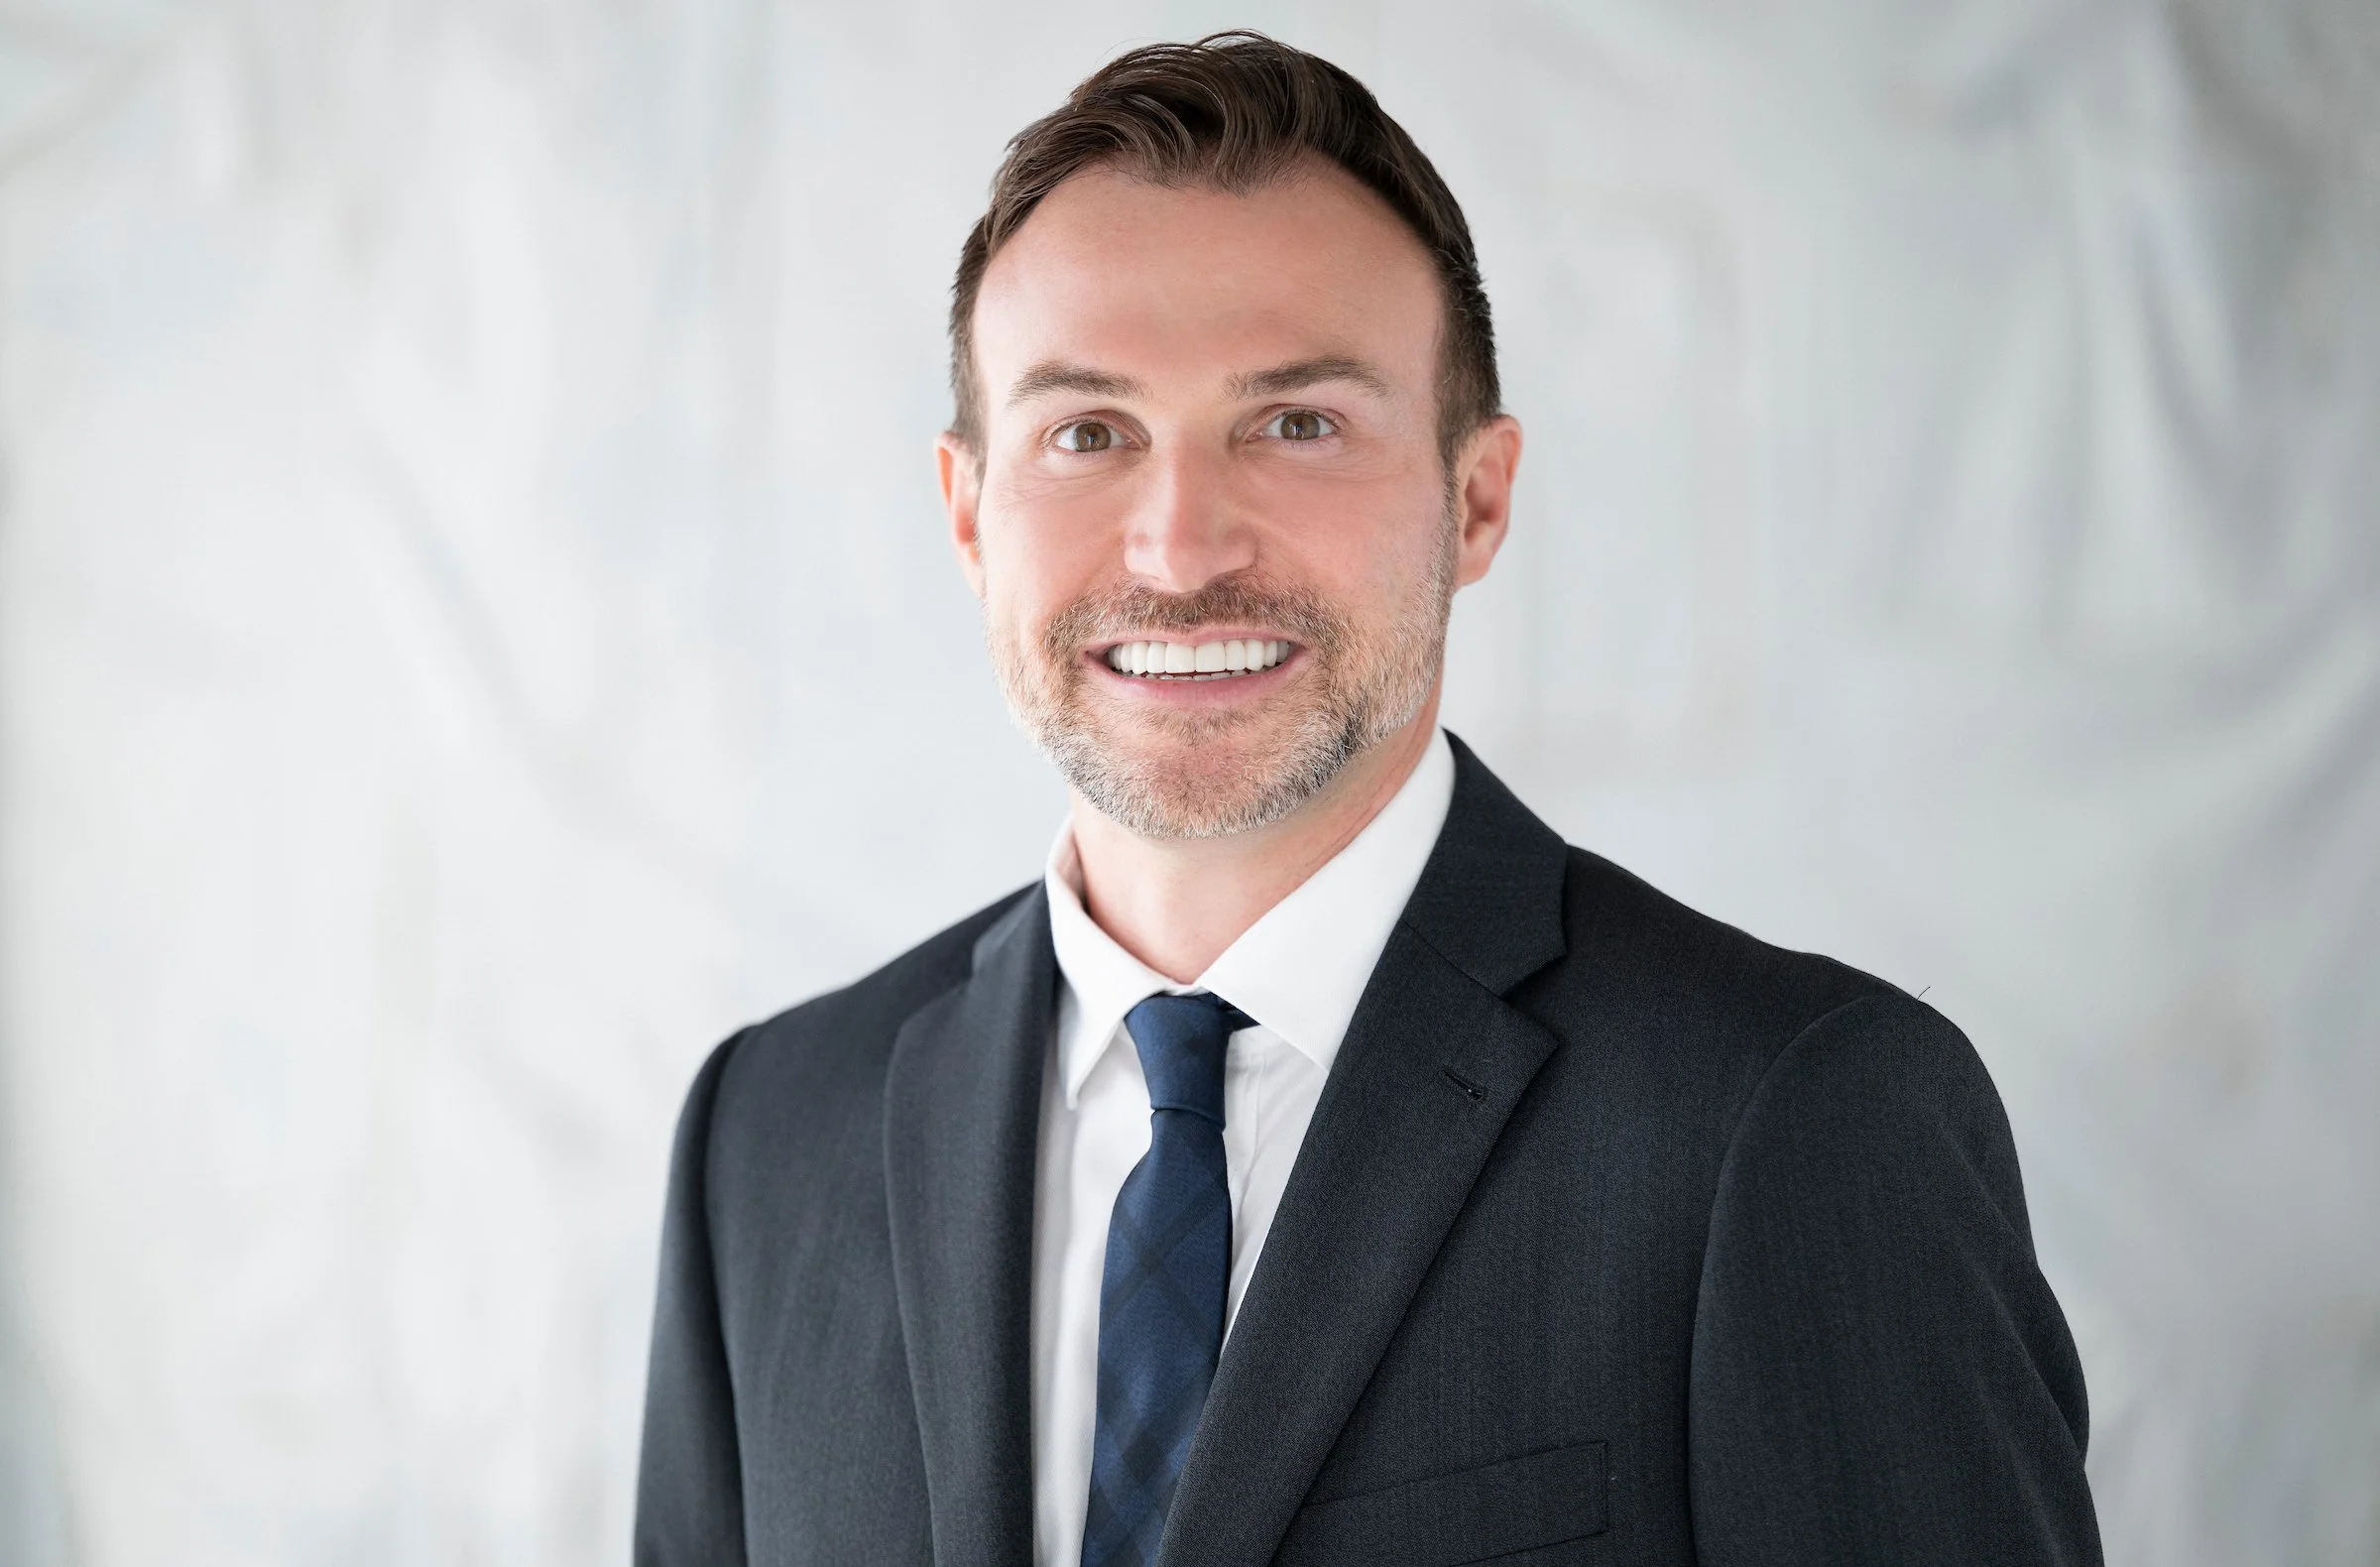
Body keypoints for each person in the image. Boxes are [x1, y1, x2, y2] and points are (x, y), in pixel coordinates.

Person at [634, 31, 2100, 1567]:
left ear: (1475, 501)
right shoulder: (768, 1141)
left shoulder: (1796, 1118)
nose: (1181, 548)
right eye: (1087, 432)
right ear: (967, 515)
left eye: (1298, 423)